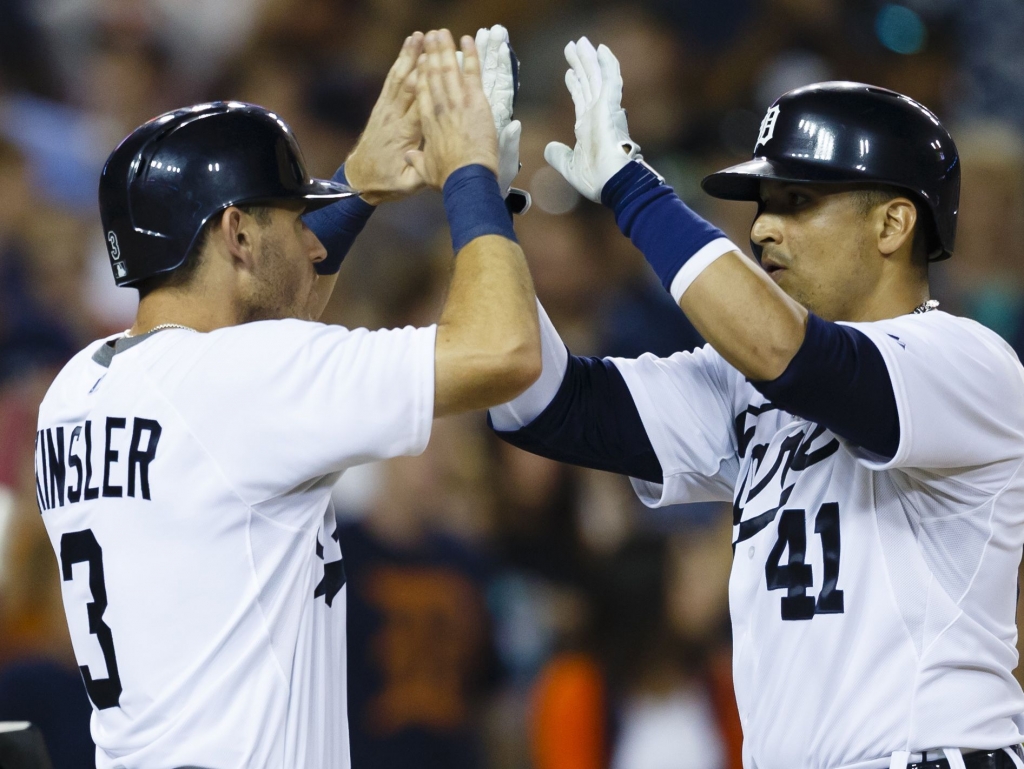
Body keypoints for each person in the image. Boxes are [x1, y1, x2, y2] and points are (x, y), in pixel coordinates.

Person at [490, 37, 1024, 769]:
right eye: (765, 205)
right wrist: (482, 209)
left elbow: (792, 356)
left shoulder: (968, 364)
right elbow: (548, 403)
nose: (764, 227)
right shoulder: (750, 382)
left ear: (894, 225)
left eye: (798, 202)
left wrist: (631, 186)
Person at [33, 28, 540, 768]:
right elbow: (505, 349)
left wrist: (358, 184)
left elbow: (267, 336)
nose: (312, 245)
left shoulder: (75, 386)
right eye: (295, 220)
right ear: (236, 231)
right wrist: (473, 173)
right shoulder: (245, 380)